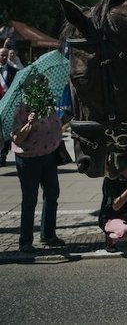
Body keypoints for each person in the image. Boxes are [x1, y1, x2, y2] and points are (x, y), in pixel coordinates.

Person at [10, 75, 70, 252]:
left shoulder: (47, 106)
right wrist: (29, 123)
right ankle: (25, 241)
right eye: (41, 86)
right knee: (30, 199)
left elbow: (54, 125)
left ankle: (48, 235)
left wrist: (64, 120)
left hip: (48, 155)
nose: (46, 89)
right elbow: (16, 137)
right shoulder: (22, 108)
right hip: (29, 159)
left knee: (52, 193)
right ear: (32, 89)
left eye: (46, 86)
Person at [0, 46, 18, 167]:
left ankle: (3, 155)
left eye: (6, 55)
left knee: (5, 131)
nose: (4, 57)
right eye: (2, 55)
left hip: (7, 105)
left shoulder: (14, 71)